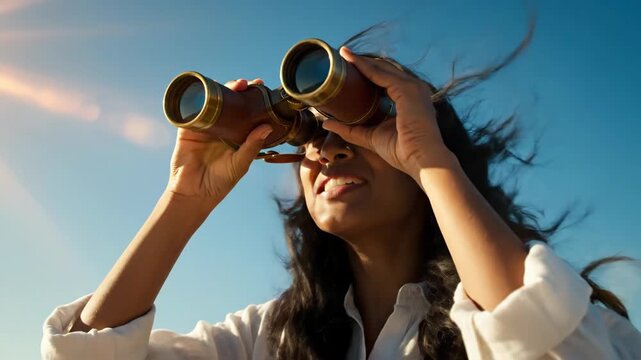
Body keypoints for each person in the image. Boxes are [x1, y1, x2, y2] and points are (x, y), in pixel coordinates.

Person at [42, 28, 641, 359]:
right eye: (313, 135)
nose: (329, 148)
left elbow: (547, 343)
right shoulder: (265, 339)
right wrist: (185, 197)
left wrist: (431, 163)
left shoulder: (579, 318)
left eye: (366, 130)